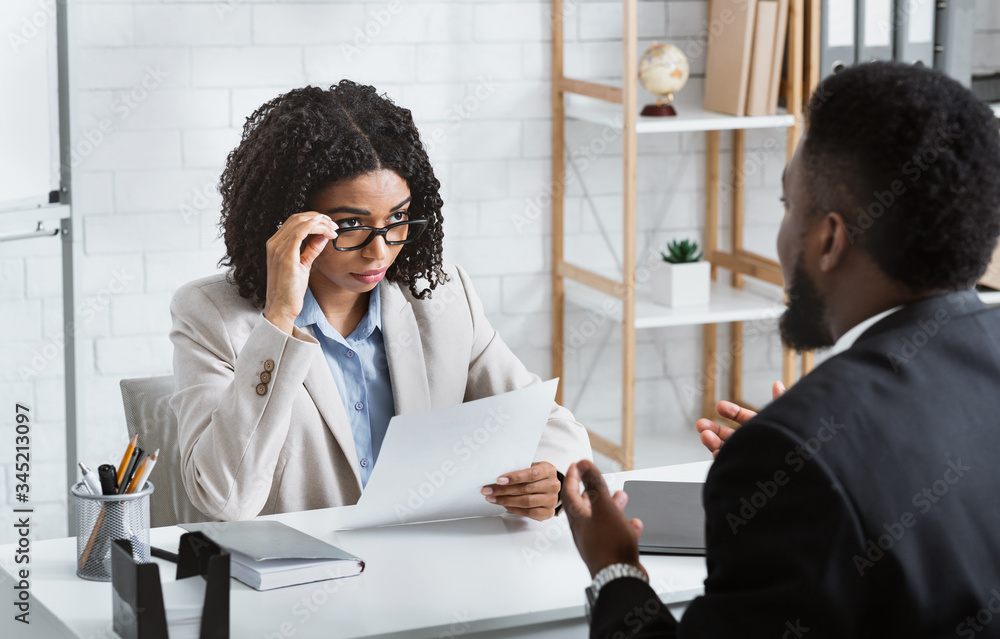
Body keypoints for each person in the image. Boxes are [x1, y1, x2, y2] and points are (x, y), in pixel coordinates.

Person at [562, 61, 1000, 637]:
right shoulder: (799, 451)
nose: (782, 232)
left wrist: (615, 570)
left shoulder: (794, 454)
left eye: (787, 205)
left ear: (829, 239)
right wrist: (798, 459)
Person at [169, 80, 591, 522]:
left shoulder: (442, 298)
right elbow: (225, 500)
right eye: (350, 224)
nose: (380, 251)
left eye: (398, 219)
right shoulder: (211, 316)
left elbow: (550, 422)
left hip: (426, 562)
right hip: (298, 576)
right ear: (289, 218)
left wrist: (552, 476)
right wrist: (278, 318)